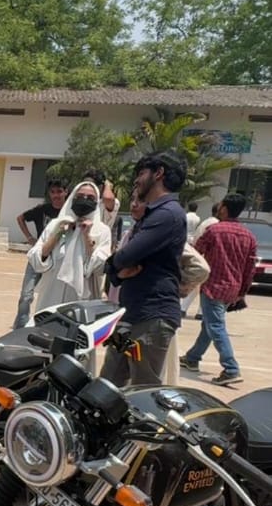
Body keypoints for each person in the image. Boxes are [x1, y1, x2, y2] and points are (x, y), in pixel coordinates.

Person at [102, 151, 188, 387]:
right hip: (130, 316)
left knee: (143, 390)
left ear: (158, 173)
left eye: (141, 173)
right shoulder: (152, 215)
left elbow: (127, 255)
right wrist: (117, 271)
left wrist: (113, 267)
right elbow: (122, 262)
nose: (137, 180)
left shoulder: (168, 215)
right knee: (107, 386)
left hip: (151, 319)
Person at [180, 193, 256, 387]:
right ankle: (192, 357)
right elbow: (250, 268)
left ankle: (231, 368)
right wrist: (242, 292)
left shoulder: (215, 231)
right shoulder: (249, 236)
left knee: (215, 326)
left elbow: (196, 252)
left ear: (223, 208)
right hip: (233, 288)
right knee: (210, 323)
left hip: (214, 286)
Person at [28, 179, 112, 313]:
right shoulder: (56, 225)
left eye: (90, 198)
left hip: (82, 303)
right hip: (51, 298)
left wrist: (87, 236)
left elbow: (99, 268)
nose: (84, 200)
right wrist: (58, 232)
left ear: (97, 202)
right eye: (79, 197)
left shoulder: (102, 231)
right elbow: (36, 260)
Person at [14, 178, 68, 327]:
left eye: (59, 191)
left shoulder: (69, 213)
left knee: (53, 297)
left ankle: (51, 326)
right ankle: (20, 328)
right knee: (26, 296)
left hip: (58, 261)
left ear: (66, 192)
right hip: (39, 257)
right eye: (52, 192)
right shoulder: (42, 210)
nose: (56, 195)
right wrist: (30, 238)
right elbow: (20, 218)